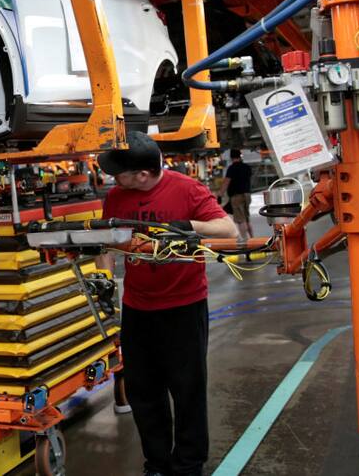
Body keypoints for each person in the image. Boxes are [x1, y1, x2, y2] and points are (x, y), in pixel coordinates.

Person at [98, 131, 237, 476]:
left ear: (143, 174)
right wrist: (103, 280)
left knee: (187, 389)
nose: (114, 179)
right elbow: (106, 244)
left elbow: (228, 229)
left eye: (121, 172)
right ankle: (157, 463)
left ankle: (189, 465)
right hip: (138, 308)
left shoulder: (186, 189)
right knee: (144, 392)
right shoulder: (116, 196)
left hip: (183, 307)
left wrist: (188, 226)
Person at [218, 149, 254, 242]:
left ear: (231, 157)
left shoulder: (232, 168)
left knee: (240, 220)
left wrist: (220, 194)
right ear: (240, 156)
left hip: (236, 196)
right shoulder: (246, 167)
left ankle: (246, 241)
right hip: (247, 195)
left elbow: (226, 182)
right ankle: (253, 239)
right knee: (246, 218)